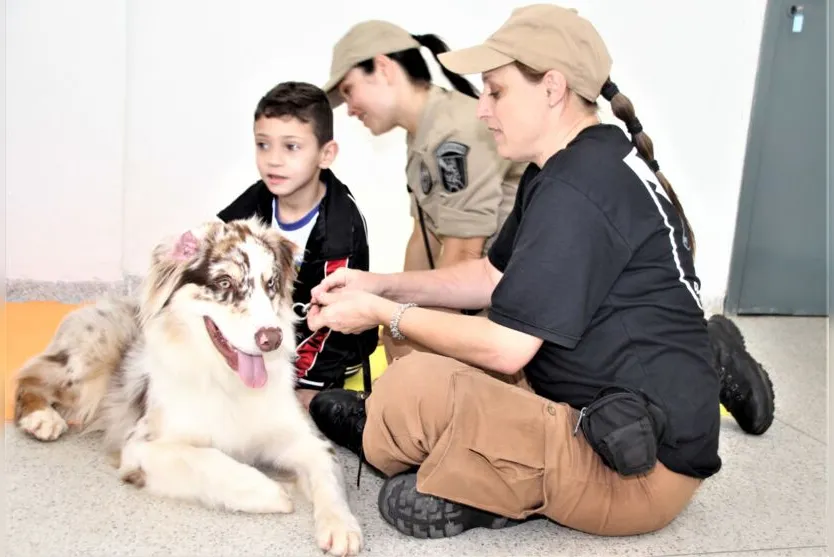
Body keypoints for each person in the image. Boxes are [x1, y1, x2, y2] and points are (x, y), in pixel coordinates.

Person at [304, 4, 775, 540]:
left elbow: (507, 347)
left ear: (552, 88)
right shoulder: (570, 164)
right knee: (431, 364)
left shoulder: (578, 187)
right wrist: (379, 284)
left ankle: (457, 471)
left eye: (496, 91)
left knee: (415, 383)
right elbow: (489, 276)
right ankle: (447, 461)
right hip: (608, 403)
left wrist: (384, 314)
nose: (482, 110)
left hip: (637, 470)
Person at [321, 20, 529, 361]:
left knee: (405, 342)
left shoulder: (455, 132)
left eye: (348, 90)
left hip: (512, 311)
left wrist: (404, 324)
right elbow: (424, 238)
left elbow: (463, 254)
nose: (350, 108)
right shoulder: (423, 132)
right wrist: (394, 309)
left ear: (384, 68)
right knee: (395, 333)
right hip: (486, 295)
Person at [216, 81, 379, 411]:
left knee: (306, 410)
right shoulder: (257, 200)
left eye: (291, 147)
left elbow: (335, 325)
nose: (273, 160)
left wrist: (300, 384)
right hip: (275, 333)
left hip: (330, 348)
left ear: (325, 154)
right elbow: (218, 245)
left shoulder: (340, 231)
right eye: (263, 145)